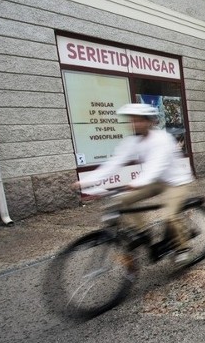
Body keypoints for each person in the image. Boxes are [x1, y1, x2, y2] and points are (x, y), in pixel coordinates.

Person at [72, 103, 195, 260]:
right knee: (120, 200)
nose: (134, 124)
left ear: (149, 121)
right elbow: (114, 163)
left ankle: (182, 247)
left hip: (177, 181)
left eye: (139, 120)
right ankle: (143, 232)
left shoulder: (161, 139)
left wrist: (137, 183)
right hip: (155, 181)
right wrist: (87, 181)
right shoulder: (132, 141)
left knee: (169, 216)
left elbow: (156, 165)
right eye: (132, 120)